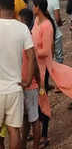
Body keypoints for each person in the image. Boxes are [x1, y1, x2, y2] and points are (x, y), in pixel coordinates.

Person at [32, 0, 72, 148]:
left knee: (42, 100)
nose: (32, 7)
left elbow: (46, 51)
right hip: (35, 67)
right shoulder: (36, 21)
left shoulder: (47, 25)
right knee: (35, 101)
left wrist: (31, 50)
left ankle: (44, 135)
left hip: (42, 70)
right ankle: (36, 130)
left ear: (38, 7)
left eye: (34, 5)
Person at [0, 0, 34, 149]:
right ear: (13, 6)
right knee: (14, 130)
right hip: (16, 87)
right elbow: (31, 56)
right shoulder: (22, 28)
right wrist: (27, 80)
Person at [18, 9, 41, 149]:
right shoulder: (24, 37)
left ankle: (35, 145)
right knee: (27, 118)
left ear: (24, 21)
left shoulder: (28, 39)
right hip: (24, 84)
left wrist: (40, 84)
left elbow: (35, 65)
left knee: (34, 119)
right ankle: (23, 144)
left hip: (29, 85)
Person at [44, 0, 64, 64]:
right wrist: (60, 23)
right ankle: (58, 75)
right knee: (59, 58)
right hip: (55, 33)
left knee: (49, 56)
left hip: (45, 31)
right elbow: (57, 18)